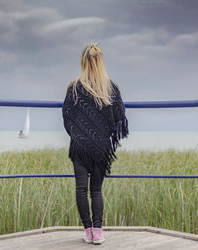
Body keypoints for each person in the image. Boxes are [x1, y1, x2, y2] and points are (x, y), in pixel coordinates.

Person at [62, 42, 129, 245]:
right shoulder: (111, 87)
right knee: (96, 190)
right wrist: (101, 135)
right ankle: (98, 233)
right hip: (101, 147)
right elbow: (120, 116)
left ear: (83, 62)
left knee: (81, 189)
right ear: (100, 62)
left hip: (80, 146)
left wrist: (79, 135)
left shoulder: (74, 87)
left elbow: (67, 117)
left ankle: (88, 230)